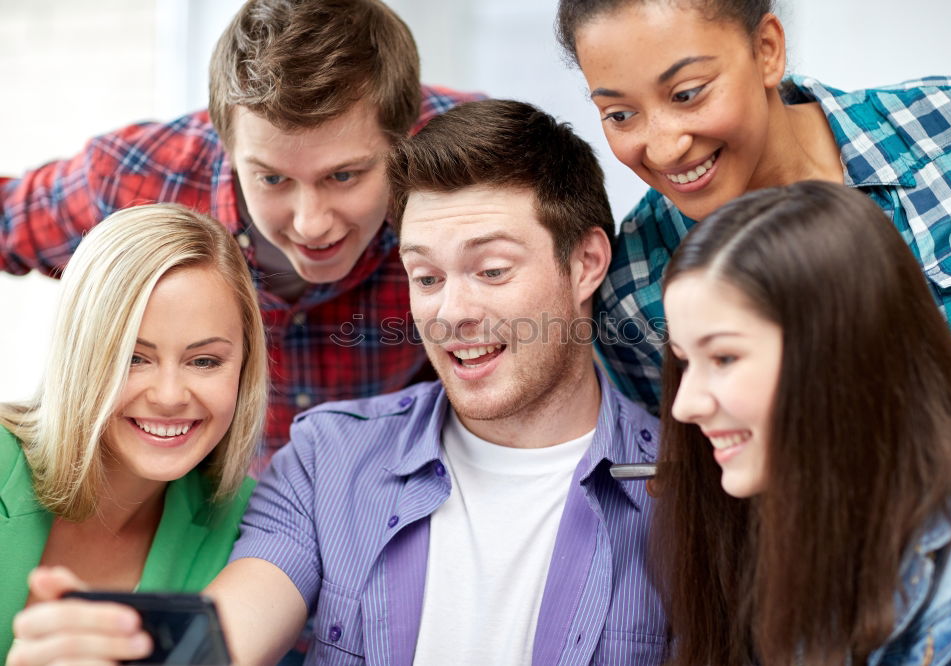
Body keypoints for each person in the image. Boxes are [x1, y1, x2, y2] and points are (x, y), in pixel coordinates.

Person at [11, 100, 667, 665]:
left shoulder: (690, 484)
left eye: (492, 270)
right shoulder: (328, 460)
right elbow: (234, 624)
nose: (452, 312)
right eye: (427, 276)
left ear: (585, 263)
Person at [0, 0, 481, 471]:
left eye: (344, 176)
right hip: (205, 507)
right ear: (226, 143)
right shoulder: (136, 178)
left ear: (403, 140)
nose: (311, 223)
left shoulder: (476, 169)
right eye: (273, 179)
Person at [555, 0, 951, 414]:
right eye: (619, 114)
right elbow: (699, 480)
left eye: (687, 93)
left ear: (767, 50)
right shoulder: (634, 292)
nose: (666, 149)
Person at [655, 181, 951, 665]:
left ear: (841, 349)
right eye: (684, 361)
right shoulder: (808, 546)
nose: (684, 406)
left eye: (724, 357)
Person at [0, 203, 268, 660]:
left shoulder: (246, 523)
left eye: (204, 361)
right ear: (80, 355)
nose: (169, 396)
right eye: (133, 357)